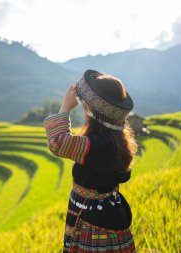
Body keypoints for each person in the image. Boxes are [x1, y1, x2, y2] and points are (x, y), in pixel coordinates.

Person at [44, 69, 138, 253]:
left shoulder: (96, 145)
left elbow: (58, 143)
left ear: (91, 111)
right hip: (106, 212)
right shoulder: (115, 140)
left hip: (91, 220)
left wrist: (65, 107)